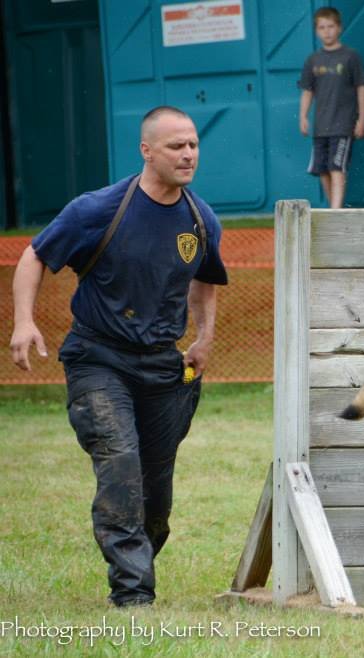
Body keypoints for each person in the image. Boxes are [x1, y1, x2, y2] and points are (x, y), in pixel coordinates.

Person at [9, 106, 229, 606]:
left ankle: (138, 564)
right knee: (120, 465)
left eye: (193, 144)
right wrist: (24, 320)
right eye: (177, 146)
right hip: (98, 358)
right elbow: (36, 255)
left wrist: (204, 338)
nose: (189, 154)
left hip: (162, 365)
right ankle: (132, 598)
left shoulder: (200, 218)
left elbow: (206, 282)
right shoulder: (99, 209)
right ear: (147, 150)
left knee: (156, 494)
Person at [298, 8, 364, 210]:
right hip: (321, 126)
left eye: (330, 27)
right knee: (322, 170)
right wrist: (303, 116)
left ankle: (335, 212)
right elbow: (307, 91)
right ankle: (334, 210)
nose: (326, 31)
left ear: (339, 28)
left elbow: (361, 88)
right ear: (316, 31)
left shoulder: (350, 56)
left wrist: (362, 118)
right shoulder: (313, 60)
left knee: (337, 168)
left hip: (343, 125)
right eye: (322, 27)